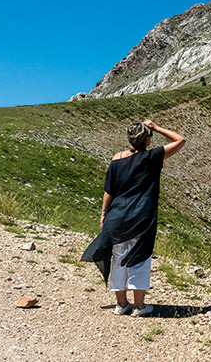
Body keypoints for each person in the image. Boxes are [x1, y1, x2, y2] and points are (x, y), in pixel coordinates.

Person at [81, 119, 186, 316]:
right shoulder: (153, 157)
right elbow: (180, 140)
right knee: (139, 258)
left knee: (118, 258)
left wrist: (104, 213)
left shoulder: (116, 158)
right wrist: (156, 127)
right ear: (147, 139)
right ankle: (140, 307)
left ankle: (121, 305)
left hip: (116, 216)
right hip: (141, 216)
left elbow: (109, 190)